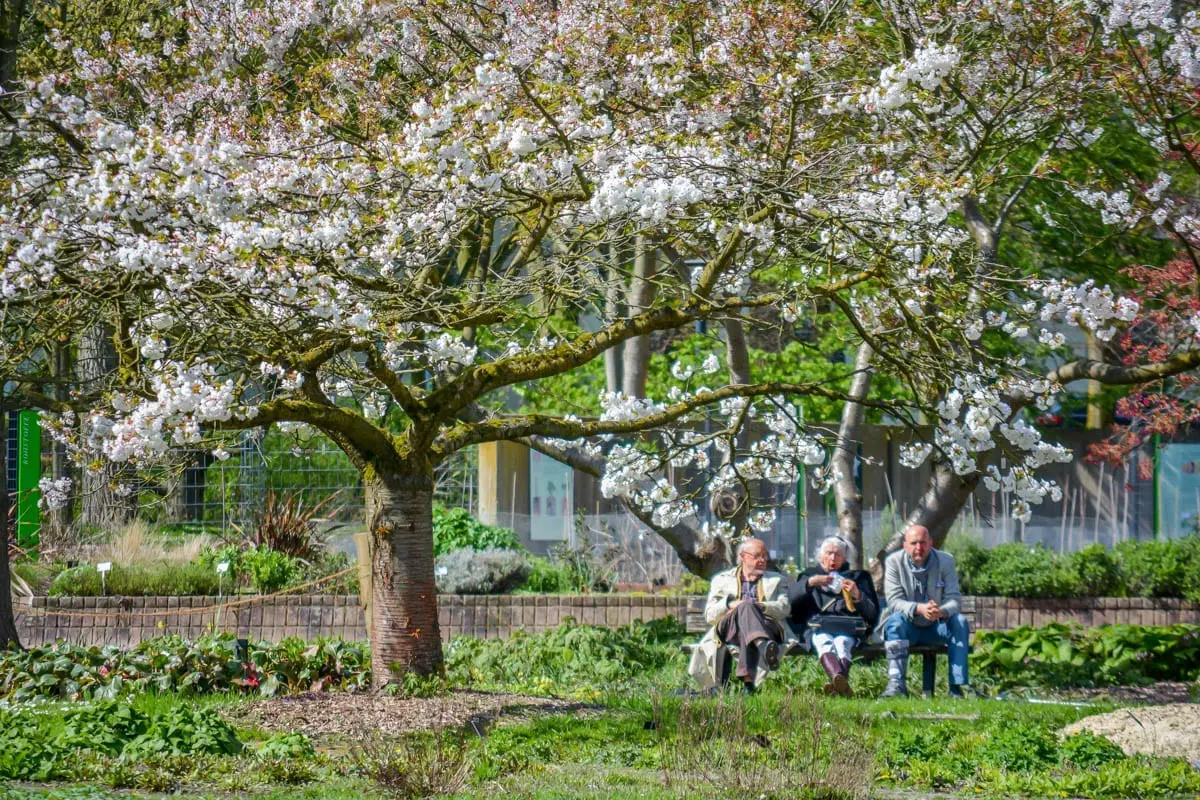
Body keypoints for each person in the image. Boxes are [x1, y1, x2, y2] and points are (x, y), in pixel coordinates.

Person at [687, 538, 793, 693]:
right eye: (757, 556)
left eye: (765, 556)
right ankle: (762, 648)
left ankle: (748, 684)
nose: (763, 560)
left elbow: (784, 608)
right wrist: (729, 604)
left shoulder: (777, 580)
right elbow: (710, 615)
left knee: (747, 619)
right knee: (744, 609)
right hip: (729, 628)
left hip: (766, 626)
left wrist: (758, 606)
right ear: (743, 557)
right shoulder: (722, 580)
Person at [881, 524, 970, 697]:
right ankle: (896, 685)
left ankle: (956, 688)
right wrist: (919, 608)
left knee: (959, 621)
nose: (919, 548)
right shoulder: (893, 562)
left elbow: (954, 598)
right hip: (909, 627)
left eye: (923, 543)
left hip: (937, 627)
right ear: (905, 545)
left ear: (931, 543)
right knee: (895, 622)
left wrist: (941, 611)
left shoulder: (946, 561)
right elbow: (893, 601)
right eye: (913, 543)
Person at [789, 536, 879, 697]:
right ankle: (841, 685)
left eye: (838, 554)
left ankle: (836, 684)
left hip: (849, 628)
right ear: (821, 556)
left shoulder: (858, 577)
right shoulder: (809, 575)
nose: (833, 558)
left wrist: (857, 594)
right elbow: (792, 604)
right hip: (817, 628)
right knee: (823, 640)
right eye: (829, 553)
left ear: (844, 558)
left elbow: (872, 614)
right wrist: (809, 584)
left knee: (842, 642)